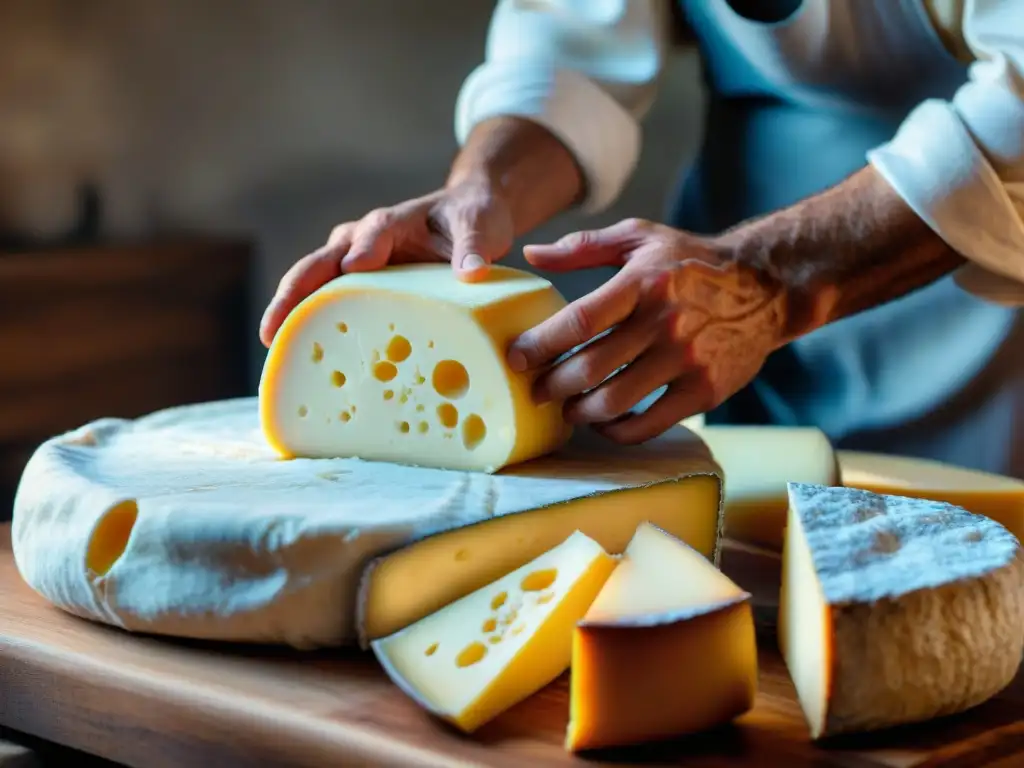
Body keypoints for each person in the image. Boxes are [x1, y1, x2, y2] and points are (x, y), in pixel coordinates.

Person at [260, 0, 1024, 474]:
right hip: (722, 310)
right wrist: (475, 191)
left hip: (972, 299)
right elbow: (573, 50)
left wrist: (766, 281)